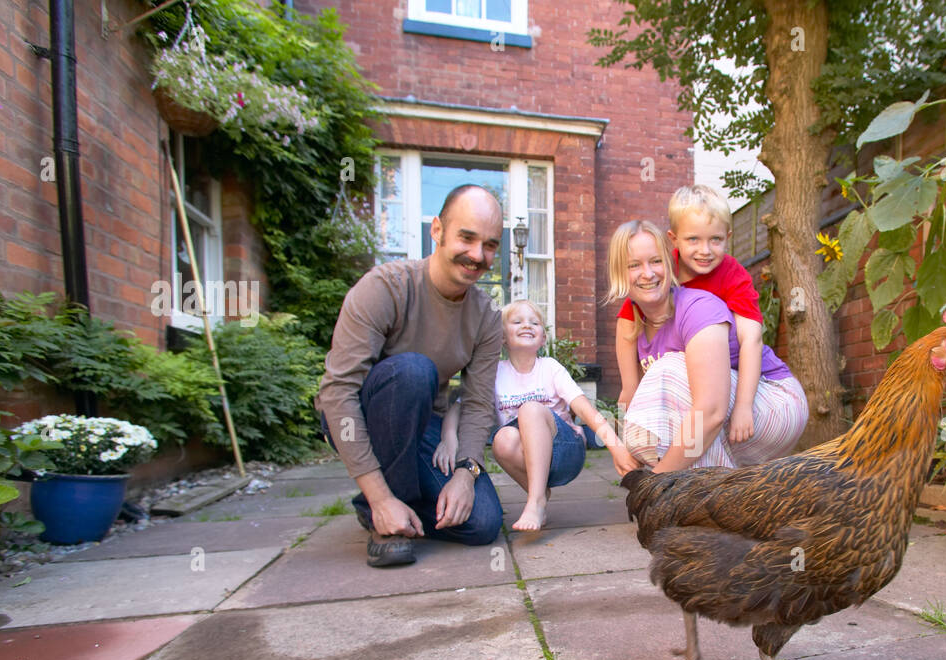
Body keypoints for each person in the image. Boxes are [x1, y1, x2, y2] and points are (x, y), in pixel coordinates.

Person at [315, 184, 505, 567]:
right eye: (466, 238)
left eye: (489, 245)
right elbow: (337, 393)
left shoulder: (486, 316)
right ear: (437, 230)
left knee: (483, 523)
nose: (477, 256)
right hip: (362, 415)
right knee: (414, 371)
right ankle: (383, 516)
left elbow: (479, 403)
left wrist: (466, 473)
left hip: (425, 423)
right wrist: (380, 497)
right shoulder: (385, 287)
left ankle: (398, 502)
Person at [615, 185, 807, 467]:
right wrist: (623, 431)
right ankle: (715, 492)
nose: (704, 251)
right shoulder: (661, 272)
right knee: (686, 403)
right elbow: (627, 322)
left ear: (728, 237)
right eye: (693, 239)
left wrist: (743, 405)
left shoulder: (732, 275)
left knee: (680, 376)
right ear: (674, 240)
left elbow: (751, 340)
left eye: (715, 240)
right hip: (712, 388)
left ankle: (686, 488)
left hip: (762, 383)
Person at [434, 300, 623, 531]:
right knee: (502, 440)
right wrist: (449, 437)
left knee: (530, 409)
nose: (527, 325)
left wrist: (614, 445)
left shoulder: (550, 367)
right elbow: (460, 407)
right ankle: (539, 492)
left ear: (543, 338)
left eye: (535, 322)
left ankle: (536, 502)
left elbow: (583, 407)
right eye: (517, 321)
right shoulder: (495, 374)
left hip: (565, 452)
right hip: (528, 458)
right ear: (502, 337)